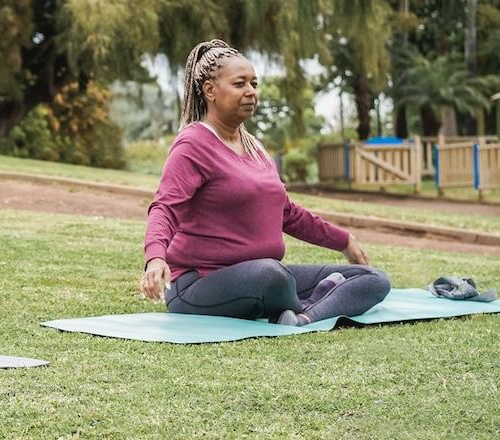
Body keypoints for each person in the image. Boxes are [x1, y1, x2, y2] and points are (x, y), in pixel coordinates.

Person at [138, 39, 390, 326]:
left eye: (254, 84)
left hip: (265, 277)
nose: (251, 92)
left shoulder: (254, 147)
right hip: (200, 283)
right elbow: (165, 208)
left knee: (373, 279)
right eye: (239, 84)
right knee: (271, 275)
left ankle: (305, 316)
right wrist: (156, 259)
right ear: (210, 90)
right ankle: (315, 300)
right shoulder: (193, 144)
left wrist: (343, 240)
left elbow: (287, 213)